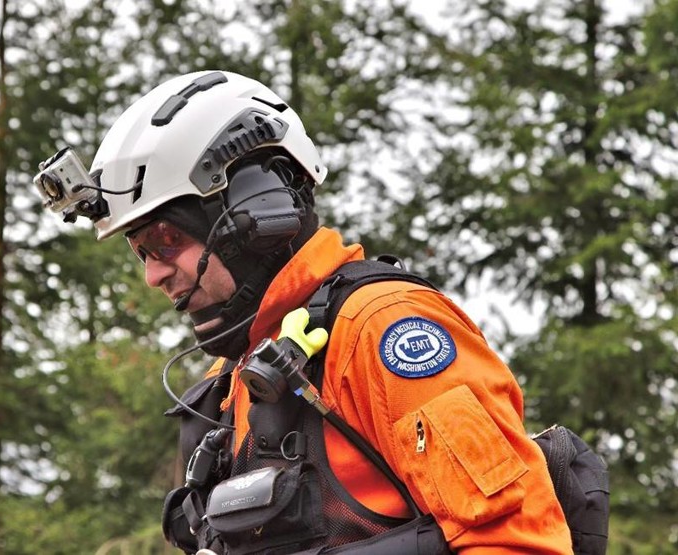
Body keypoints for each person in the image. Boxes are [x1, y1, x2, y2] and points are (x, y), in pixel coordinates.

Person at [35, 70, 573, 554]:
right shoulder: (230, 381)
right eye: (142, 252)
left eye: (167, 239)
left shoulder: (384, 329)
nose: (153, 275)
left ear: (255, 210)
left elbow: (517, 542)